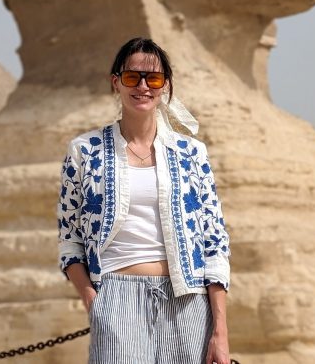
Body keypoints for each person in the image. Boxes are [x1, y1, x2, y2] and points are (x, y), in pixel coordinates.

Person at [57, 37, 231, 364]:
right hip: (116, 298)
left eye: (153, 79)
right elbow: (69, 240)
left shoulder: (192, 153)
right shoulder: (84, 151)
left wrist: (220, 331)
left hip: (187, 301)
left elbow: (214, 243)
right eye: (131, 77)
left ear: (165, 86)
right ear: (115, 82)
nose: (142, 87)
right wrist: (94, 301)